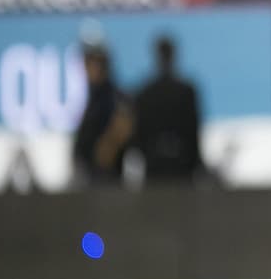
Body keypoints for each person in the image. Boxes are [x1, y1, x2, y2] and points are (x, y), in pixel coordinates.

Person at [131, 35, 204, 183]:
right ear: (173, 55)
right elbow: (193, 130)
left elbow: (138, 135)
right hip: (181, 167)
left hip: (154, 166)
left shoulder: (144, 93)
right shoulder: (186, 91)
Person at [72, 40, 132, 186]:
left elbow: (123, 125)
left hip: (106, 181)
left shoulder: (113, 96)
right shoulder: (94, 96)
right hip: (90, 178)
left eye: (89, 63)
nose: (85, 69)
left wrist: (109, 146)